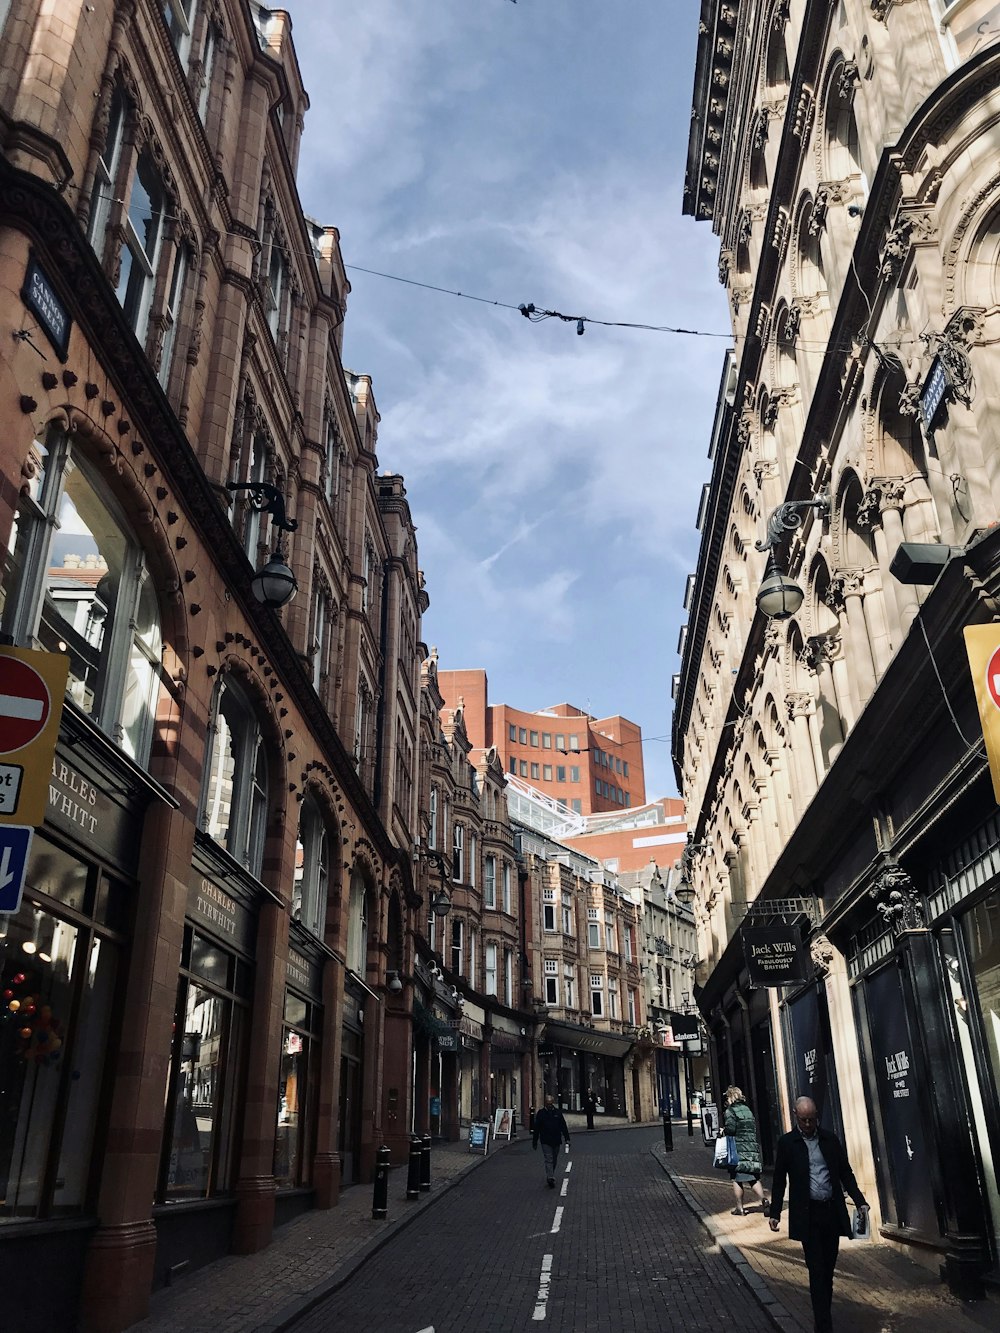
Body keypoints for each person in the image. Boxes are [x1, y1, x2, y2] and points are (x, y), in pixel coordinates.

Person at [768, 1096, 870, 1333]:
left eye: (811, 1120)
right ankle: (823, 1325)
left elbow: (845, 1172)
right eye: (803, 1120)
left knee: (828, 1269)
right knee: (816, 1269)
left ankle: (822, 1312)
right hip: (808, 1214)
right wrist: (775, 1213)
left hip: (831, 1213)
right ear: (796, 1116)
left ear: (817, 1118)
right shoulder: (787, 1143)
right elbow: (778, 1180)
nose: (807, 1125)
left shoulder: (829, 1140)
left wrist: (860, 1201)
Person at [722, 1085, 768, 1216]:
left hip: (738, 1149)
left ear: (731, 1097)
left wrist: (723, 1131)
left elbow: (731, 1129)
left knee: (737, 1179)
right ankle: (764, 1199)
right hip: (751, 1148)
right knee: (753, 1178)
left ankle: (739, 1208)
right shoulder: (747, 1109)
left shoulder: (731, 1111)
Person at [532, 1094, 570, 1187]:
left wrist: (567, 1138)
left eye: (550, 1103)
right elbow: (537, 1128)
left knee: (554, 1159)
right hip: (545, 1140)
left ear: (553, 1103)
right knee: (549, 1159)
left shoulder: (558, 1113)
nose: (549, 1105)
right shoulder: (541, 1113)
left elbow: (563, 1126)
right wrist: (535, 1141)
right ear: (545, 1103)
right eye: (548, 1103)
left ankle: (551, 1173)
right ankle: (550, 1177)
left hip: (556, 1139)